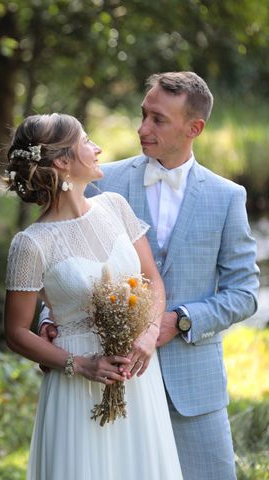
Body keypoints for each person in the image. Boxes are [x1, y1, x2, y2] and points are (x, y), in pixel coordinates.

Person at [39, 71, 260, 479]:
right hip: (110, 384)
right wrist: (50, 321)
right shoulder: (99, 184)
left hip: (191, 391)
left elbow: (245, 293)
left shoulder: (227, 197)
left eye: (158, 120)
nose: (142, 128)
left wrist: (180, 320)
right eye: (143, 115)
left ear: (194, 128)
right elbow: (59, 266)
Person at [3, 112, 184, 479]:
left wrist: (148, 336)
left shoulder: (115, 206)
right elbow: (16, 333)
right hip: (77, 385)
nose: (98, 148)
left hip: (136, 375)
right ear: (63, 161)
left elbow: (152, 280)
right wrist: (81, 365)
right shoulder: (30, 244)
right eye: (86, 141)